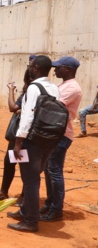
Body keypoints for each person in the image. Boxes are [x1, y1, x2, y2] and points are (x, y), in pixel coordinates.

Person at [6, 55, 60, 232]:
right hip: (48, 140)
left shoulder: (34, 88)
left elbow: (27, 117)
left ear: (35, 68)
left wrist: (18, 142)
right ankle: (25, 211)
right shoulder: (53, 88)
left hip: (32, 140)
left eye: (30, 65)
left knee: (30, 181)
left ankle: (30, 221)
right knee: (33, 177)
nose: (29, 68)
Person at [41, 56, 82, 222]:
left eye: (58, 67)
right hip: (55, 133)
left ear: (69, 69)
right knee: (49, 170)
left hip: (62, 134)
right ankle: (50, 203)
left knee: (54, 171)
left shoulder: (72, 88)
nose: (55, 70)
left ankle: (56, 209)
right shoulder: (64, 85)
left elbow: (52, 105)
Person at [0, 68, 32, 202]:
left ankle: (24, 196)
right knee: (9, 162)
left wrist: (11, 90)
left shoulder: (31, 92)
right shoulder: (28, 92)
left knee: (23, 165)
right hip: (19, 133)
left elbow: (12, 107)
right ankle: (4, 192)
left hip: (25, 134)